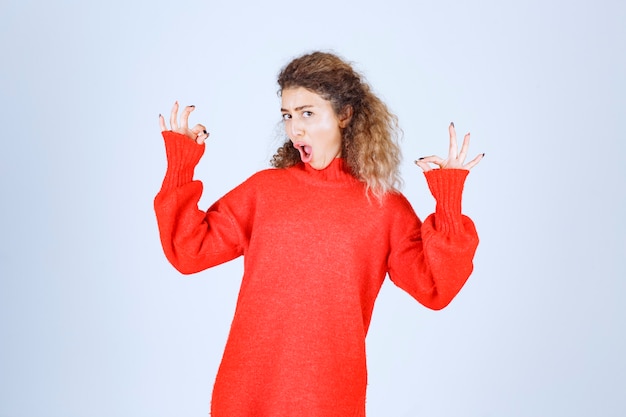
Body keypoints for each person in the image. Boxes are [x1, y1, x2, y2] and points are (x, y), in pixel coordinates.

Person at [154, 51, 483, 417]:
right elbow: (188, 251)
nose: (295, 129)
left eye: (308, 113)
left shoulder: (383, 207)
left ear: (344, 115)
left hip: (329, 399)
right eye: (288, 115)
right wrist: (181, 164)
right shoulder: (264, 191)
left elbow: (437, 286)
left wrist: (449, 201)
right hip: (246, 395)